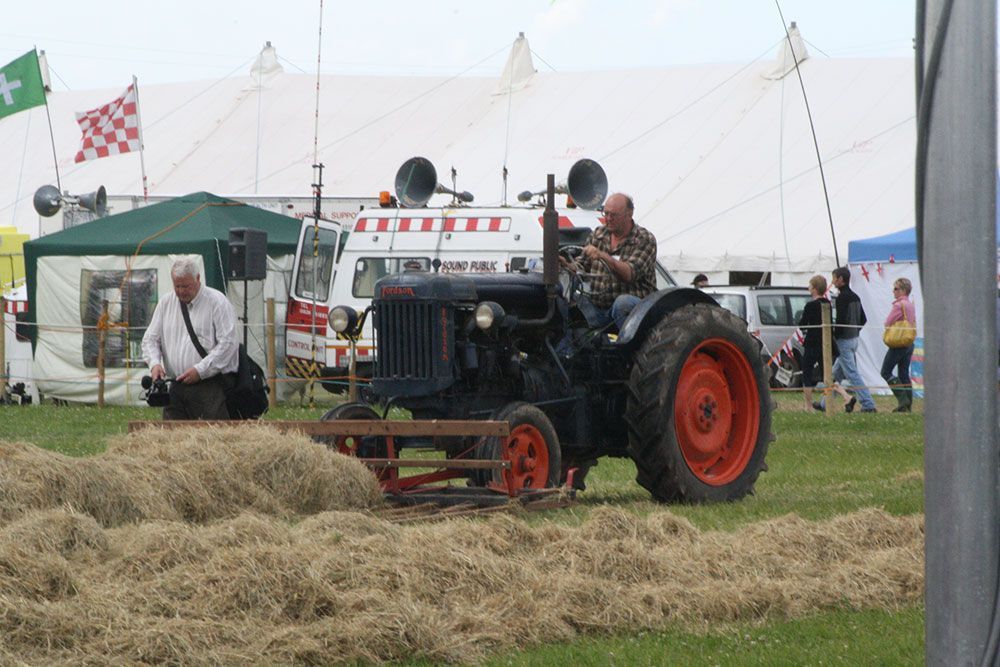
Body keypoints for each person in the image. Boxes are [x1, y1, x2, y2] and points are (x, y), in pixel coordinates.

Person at [141, 258, 239, 420]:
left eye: (186, 286)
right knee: (172, 440)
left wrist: (200, 371)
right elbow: (150, 339)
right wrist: (155, 364)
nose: (181, 291)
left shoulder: (217, 302)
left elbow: (228, 344)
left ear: (198, 279)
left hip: (209, 386)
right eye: (177, 286)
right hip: (175, 386)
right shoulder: (166, 302)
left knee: (212, 438)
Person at [567, 192, 657, 330]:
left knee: (623, 303)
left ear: (629, 214)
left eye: (614, 215)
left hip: (635, 312)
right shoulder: (598, 234)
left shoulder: (644, 239)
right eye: (606, 213)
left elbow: (630, 274)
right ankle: (565, 348)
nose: (608, 219)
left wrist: (602, 256)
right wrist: (566, 265)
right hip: (597, 309)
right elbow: (581, 266)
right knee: (569, 299)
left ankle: (629, 348)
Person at [819, 266, 876, 413]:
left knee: (852, 373)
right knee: (834, 373)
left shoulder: (841, 299)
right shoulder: (855, 297)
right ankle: (824, 403)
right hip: (854, 339)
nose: (832, 281)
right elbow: (863, 319)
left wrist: (835, 336)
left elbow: (840, 320)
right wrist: (854, 331)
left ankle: (868, 404)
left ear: (840, 280)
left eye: (834, 278)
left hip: (843, 341)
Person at [798, 275, 851, 412]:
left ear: (814, 289)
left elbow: (803, 325)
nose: (808, 288)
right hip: (825, 344)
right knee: (827, 375)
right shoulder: (827, 303)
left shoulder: (810, 305)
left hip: (812, 344)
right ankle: (846, 396)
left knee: (807, 374)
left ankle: (808, 406)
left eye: (810, 285)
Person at [881, 277, 917, 412]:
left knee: (885, 371)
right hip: (909, 342)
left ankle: (903, 401)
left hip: (898, 343)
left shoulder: (898, 305)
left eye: (896, 289)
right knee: (903, 373)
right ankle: (908, 405)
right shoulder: (910, 304)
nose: (893, 291)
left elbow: (888, 322)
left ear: (903, 290)